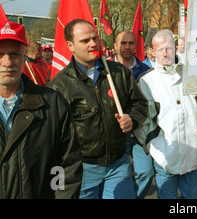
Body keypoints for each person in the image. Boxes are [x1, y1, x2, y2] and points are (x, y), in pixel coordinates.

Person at [47, 19, 148, 199]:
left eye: (94, 38)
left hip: (119, 163)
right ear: (70, 45)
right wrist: (58, 180)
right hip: (82, 169)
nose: (93, 43)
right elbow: (53, 138)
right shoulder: (59, 86)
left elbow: (140, 104)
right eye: (85, 40)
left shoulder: (119, 73)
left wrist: (132, 118)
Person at [0, 21, 82, 198]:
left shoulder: (53, 104)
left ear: (24, 56)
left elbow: (62, 166)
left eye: (14, 54)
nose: (7, 62)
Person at [134, 29, 197, 199]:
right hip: (164, 155)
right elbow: (143, 121)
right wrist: (154, 145)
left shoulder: (190, 73)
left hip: (191, 150)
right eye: (160, 49)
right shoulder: (146, 81)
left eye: (168, 48)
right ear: (153, 51)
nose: (165, 53)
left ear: (175, 47)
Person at [113, 30, 153, 199]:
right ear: (115, 46)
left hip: (139, 132)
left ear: (136, 46)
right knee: (118, 178)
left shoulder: (146, 71)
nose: (127, 47)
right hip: (115, 133)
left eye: (130, 43)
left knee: (146, 172)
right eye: (123, 43)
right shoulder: (104, 69)